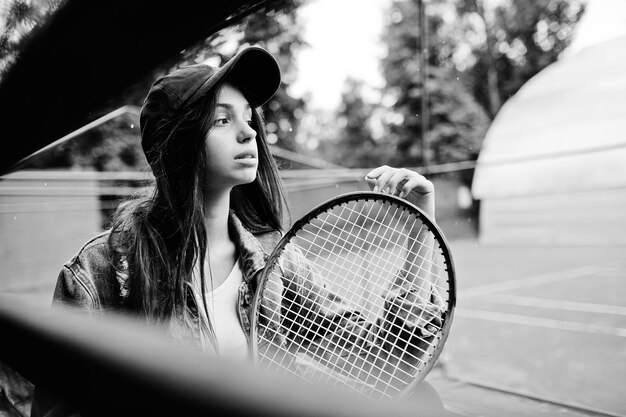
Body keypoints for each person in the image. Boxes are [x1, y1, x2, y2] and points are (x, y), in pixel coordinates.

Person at [32, 46, 444, 415]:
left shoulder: (274, 260)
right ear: (176, 142)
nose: (249, 133)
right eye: (222, 120)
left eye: (248, 118)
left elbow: (388, 357)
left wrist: (418, 229)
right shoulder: (97, 274)